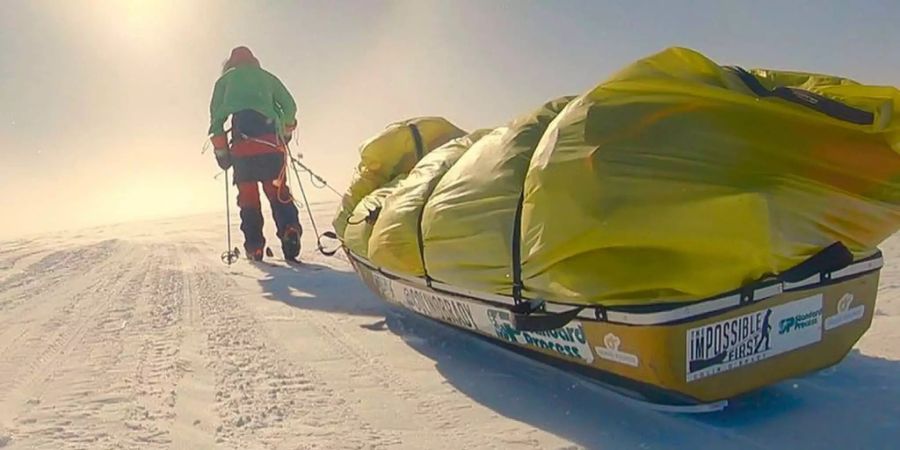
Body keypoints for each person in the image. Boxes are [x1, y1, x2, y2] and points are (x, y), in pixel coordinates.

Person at [208, 46, 302, 262]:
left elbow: (216, 120)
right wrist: (286, 131)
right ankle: (289, 229)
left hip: (242, 149)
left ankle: (255, 247)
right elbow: (289, 106)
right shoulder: (267, 78)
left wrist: (222, 151)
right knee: (278, 193)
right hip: (270, 145)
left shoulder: (225, 82)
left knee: (248, 199)